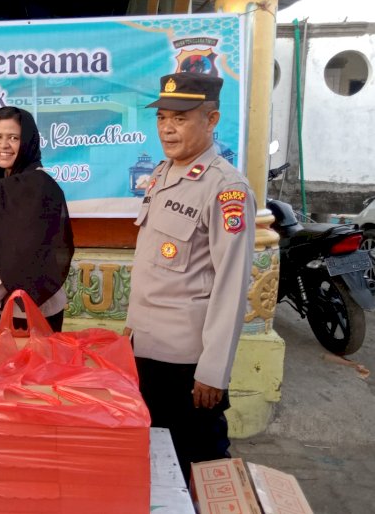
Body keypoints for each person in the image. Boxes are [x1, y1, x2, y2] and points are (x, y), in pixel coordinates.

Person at [125, 72, 256, 483]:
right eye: (163, 116)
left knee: (201, 466)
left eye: (180, 118)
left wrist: (213, 371)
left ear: (211, 119)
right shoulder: (163, 174)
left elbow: (232, 285)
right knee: (157, 466)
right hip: (145, 351)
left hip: (187, 366)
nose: (167, 127)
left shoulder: (225, 188)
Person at [0, 106, 74, 340]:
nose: (3, 145)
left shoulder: (34, 187)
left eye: (13, 138)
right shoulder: (8, 182)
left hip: (30, 308)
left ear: (28, 141)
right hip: (10, 302)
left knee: (24, 376)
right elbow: (2, 238)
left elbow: (19, 257)